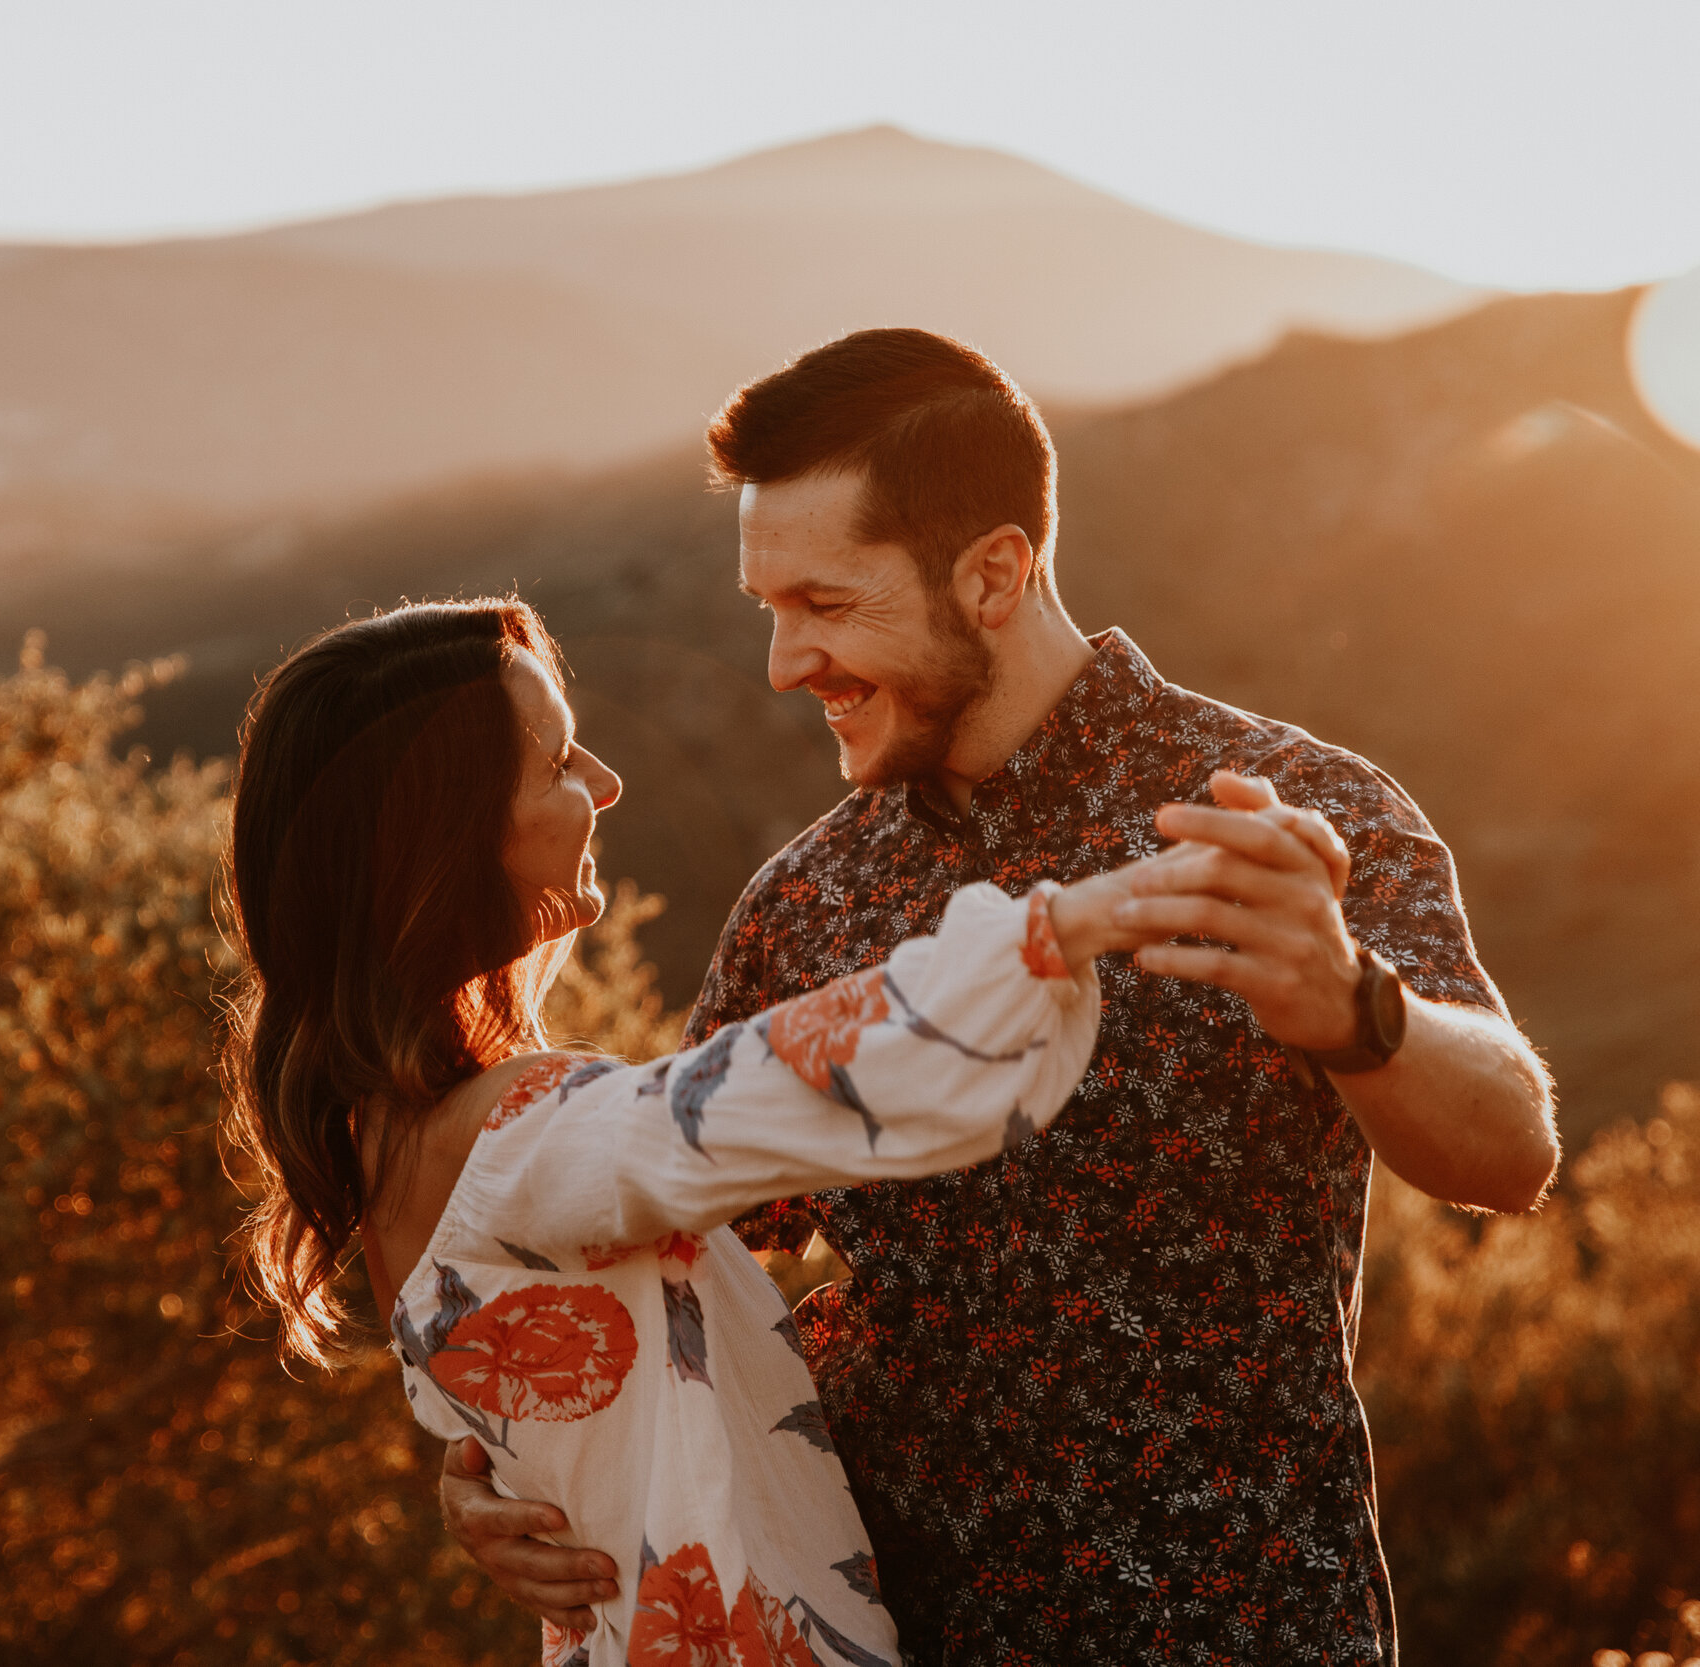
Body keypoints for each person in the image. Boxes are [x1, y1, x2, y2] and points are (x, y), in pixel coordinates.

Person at [442, 330, 1562, 1665]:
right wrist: (498, 1463)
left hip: (1250, 1626)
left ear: (993, 572)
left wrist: (1354, 1004)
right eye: (768, 610)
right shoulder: (802, 905)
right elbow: (680, 1268)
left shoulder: (1296, 815)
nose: (785, 662)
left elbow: (1512, 1146)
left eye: (828, 604)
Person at [218, 597, 1229, 1665]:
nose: (604, 784)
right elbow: (759, 1087)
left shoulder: (396, 1139)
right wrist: (1056, 928)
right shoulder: (517, 1136)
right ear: (447, 840)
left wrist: (470, 1484)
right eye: (559, 763)